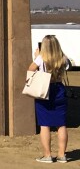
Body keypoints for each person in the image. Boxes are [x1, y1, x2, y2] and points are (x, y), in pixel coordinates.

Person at [30, 35, 70, 163]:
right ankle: (62, 154)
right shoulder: (62, 58)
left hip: (44, 90)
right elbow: (68, 67)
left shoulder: (41, 58)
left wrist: (36, 57)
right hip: (59, 89)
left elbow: (30, 70)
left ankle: (47, 155)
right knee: (61, 124)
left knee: (44, 124)